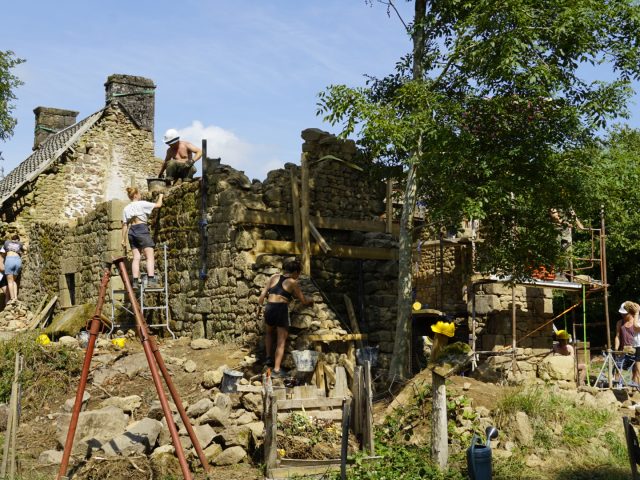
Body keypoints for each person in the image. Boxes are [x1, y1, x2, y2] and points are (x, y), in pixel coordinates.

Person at [258, 259, 314, 378]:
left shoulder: (274, 277)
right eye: (298, 274)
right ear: (295, 272)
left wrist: (259, 309)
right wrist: (311, 300)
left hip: (269, 308)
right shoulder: (292, 282)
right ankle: (277, 370)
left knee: (268, 333)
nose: (298, 276)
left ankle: (268, 358)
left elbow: (262, 295)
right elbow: (303, 300)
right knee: (281, 341)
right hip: (280, 309)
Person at [121, 187, 163, 289]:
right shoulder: (142, 204)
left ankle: (135, 282)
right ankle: (151, 280)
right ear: (135, 195)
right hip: (141, 229)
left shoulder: (126, 208)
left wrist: (123, 239)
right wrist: (161, 196)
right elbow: (158, 205)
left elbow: (124, 225)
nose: (140, 195)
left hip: (132, 231)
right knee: (150, 255)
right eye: (139, 193)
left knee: (136, 257)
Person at [614, 301, 640, 385]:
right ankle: (617, 387)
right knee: (618, 367)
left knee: (635, 370)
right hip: (624, 349)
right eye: (622, 313)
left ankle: (634, 389)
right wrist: (616, 349)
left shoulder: (636, 322)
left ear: (630, 312)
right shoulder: (620, 323)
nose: (623, 315)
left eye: (625, 314)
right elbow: (617, 336)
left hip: (635, 349)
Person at [3, 234, 25, 302]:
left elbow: (4, 252)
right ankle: (15, 298)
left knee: (10, 281)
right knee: (13, 280)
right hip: (18, 260)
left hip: (9, 259)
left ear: (11, 239)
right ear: (18, 240)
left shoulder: (6, 242)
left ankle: (12, 299)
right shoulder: (20, 243)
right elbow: (26, 249)